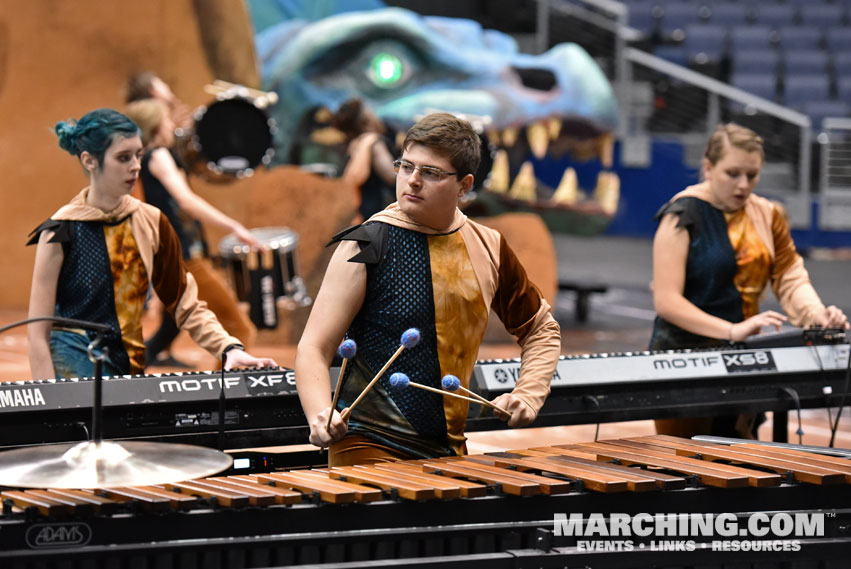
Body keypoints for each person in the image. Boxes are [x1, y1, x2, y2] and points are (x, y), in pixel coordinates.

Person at [295, 112, 561, 466]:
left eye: (430, 172)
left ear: (464, 186)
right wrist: (319, 413)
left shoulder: (489, 247)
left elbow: (541, 329)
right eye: (405, 167)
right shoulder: (369, 242)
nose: (413, 180)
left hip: (450, 449)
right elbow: (314, 345)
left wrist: (528, 394)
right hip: (367, 443)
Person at [27, 108, 277, 380]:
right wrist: (49, 401)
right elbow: (38, 331)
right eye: (123, 158)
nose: (135, 166)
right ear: (90, 161)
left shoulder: (151, 222)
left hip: (128, 371)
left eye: (138, 155)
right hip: (72, 371)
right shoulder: (60, 230)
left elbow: (186, 304)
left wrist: (227, 347)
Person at [650, 123, 849, 438]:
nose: (744, 185)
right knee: (687, 464)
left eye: (752, 175)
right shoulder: (682, 215)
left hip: (744, 357)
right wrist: (730, 331)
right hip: (684, 358)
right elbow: (666, 300)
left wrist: (818, 315)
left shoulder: (767, 215)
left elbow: (790, 278)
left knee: (739, 460)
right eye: (733, 174)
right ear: (708, 167)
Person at [125, 98, 261, 366]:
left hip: (168, 254)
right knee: (239, 328)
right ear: (155, 126)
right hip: (181, 257)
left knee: (170, 325)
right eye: (166, 120)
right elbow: (186, 200)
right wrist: (234, 226)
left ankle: (130, 370)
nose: (171, 124)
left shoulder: (145, 157)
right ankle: (222, 397)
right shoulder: (158, 155)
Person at [333, 98, 397, 221]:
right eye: (372, 112)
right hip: (380, 215)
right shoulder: (373, 142)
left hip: (364, 214)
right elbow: (391, 176)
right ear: (367, 121)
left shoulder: (353, 144)